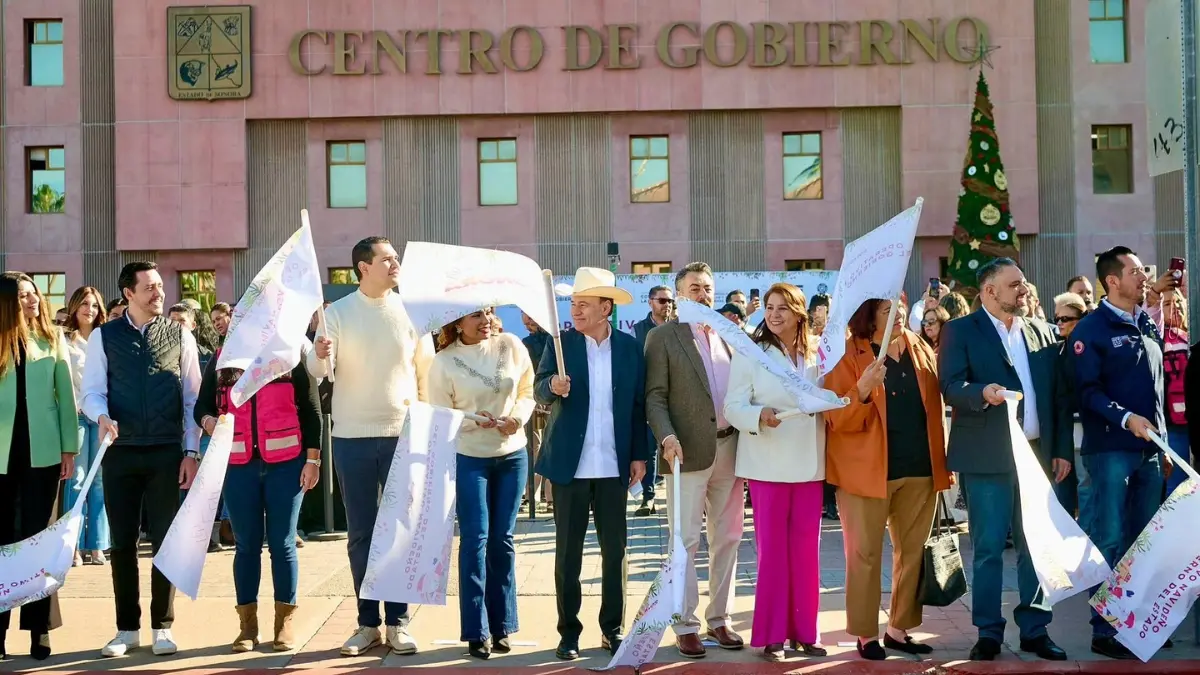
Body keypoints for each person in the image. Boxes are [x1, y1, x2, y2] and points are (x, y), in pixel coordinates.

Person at [306, 236, 434, 657]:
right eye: (387, 259)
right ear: (363, 267)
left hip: (402, 432)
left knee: (398, 532)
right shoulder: (337, 313)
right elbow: (321, 371)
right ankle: (367, 623)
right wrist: (320, 352)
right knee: (361, 533)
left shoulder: (412, 312)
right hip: (351, 437)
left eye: (396, 258)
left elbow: (426, 376)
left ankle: (398, 622)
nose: (396, 264)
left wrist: (427, 429)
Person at [938, 258, 1069, 662]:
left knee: (1035, 546)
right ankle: (989, 631)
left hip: (1035, 456)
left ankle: (1035, 628)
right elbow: (950, 386)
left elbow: (1059, 397)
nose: (1024, 289)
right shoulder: (960, 330)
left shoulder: (1043, 332)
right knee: (990, 546)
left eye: (1024, 282)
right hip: (986, 457)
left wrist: (1061, 449)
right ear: (989, 291)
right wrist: (982, 393)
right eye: (1015, 284)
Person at [80, 262, 202, 658]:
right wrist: (101, 416)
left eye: (160, 286)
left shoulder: (179, 334)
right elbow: (92, 392)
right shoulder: (104, 336)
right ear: (128, 293)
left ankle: (162, 626)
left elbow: (192, 398)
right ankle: (126, 628)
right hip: (120, 452)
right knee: (122, 543)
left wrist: (190, 451)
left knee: (166, 542)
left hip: (168, 452)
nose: (159, 293)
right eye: (149, 287)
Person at [825, 297, 949, 660]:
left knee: (912, 554)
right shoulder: (849, 354)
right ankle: (865, 634)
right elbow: (836, 417)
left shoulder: (919, 346)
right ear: (868, 316)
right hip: (866, 473)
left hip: (920, 470)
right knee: (865, 554)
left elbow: (935, 410)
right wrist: (861, 389)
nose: (896, 316)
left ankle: (899, 628)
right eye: (886, 310)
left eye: (899, 307)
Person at [533, 267, 647, 660]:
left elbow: (638, 407)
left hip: (614, 467)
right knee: (568, 555)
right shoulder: (560, 343)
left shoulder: (631, 349)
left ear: (606, 308)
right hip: (570, 467)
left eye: (584, 304)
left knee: (615, 553)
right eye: (573, 303)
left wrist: (638, 455)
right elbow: (539, 389)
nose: (576, 311)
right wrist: (552, 387)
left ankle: (612, 629)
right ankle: (569, 633)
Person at [1069, 247, 1172, 660]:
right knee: (1109, 537)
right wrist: (1126, 417)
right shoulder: (1090, 331)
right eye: (1134, 271)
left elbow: (1157, 387)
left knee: (1142, 541)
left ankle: (1137, 624)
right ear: (1112, 280)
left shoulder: (1145, 322)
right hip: (1111, 450)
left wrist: (1161, 439)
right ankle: (1105, 628)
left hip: (1149, 451)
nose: (1143, 276)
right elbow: (1087, 392)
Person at [195, 336, 321, 653]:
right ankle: (247, 627)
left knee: (283, 543)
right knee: (246, 545)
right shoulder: (223, 356)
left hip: (286, 464)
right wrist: (209, 422)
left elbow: (310, 408)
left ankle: (284, 623)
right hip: (238, 465)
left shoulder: (290, 352)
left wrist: (313, 460)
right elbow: (202, 406)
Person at [722, 283, 828, 661]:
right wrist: (758, 415)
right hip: (767, 461)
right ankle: (771, 636)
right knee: (772, 554)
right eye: (769, 307)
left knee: (806, 552)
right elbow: (733, 405)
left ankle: (805, 632)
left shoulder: (819, 350)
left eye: (784, 307)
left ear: (799, 312)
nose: (775, 313)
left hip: (810, 463)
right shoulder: (751, 352)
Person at [644, 261, 745, 658]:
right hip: (685, 452)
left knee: (729, 538)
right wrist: (666, 436)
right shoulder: (662, 337)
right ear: (680, 295)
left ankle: (719, 619)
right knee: (685, 541)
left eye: (708, 287)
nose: (703, 294)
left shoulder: (728, 335)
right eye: (695, 288)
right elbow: (654, 396)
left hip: (730, 449)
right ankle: (685, 624)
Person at [430, 307, 535, 660]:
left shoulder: (512, 344)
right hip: (469, 457)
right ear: (457, 322)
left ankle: (503, 624)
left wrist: (517, 418)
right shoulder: (443, 362)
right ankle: (476, 631)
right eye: (476, 314)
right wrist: (477, 421)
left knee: (502, 540)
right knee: (475, 539)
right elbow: (440, 415)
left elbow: (527, 391)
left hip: (512, 455)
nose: (485, 320)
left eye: (489, 312)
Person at [0, 272, 77, 660]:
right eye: (23, 297)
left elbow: (65, 396)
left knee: (38, 543)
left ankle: (39, 629)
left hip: (43, 456)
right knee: (1, 543)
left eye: (34, 294)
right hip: (0, 457)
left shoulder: (52, 338)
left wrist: (69, 449)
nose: (33, 301)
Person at [63, 286, 110, 567]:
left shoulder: (105, 338)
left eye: (94, 305)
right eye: (84, 304)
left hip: (102, 417)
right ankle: (74, 545)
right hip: (77, 416)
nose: (89, 309)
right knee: (77, 480)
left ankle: (98, 546)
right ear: (74, 306)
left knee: (100, 483)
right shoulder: (64, 339)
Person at [632, 285, 673, 516]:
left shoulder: (679, 328)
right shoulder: (639, 330)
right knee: (649, 449)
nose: (667, 305)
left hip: (676, 396)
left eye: (670, 301)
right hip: (649, 396)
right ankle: (648, 497)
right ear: (650, 302)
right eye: (662, 300)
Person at [1051, 292, 1089, 515]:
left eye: (1065, 319)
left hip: (1086, 428)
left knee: (1086, 486)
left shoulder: (1085, 349)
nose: (1059, 323)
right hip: (1069, 431)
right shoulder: (1061, 349)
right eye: (1057, 318)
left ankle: (1087, 537)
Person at [521, 312, 552, 511]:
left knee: (551, 446)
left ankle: (550, 497)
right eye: (526, 321)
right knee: (534, 447)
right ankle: (531, 495)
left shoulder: (555, 340)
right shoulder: (525, 342)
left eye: (532, 319)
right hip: (533, 400)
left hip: (553, 398)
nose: (529, 323)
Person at [1162, 289, 1191, 496]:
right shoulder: (1155, 341)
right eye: (1167, 303)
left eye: (1179, 302)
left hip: (1193, 421)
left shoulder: (1192, 336)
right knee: (1178, 487)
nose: (1175, 307)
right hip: (1173, 425)